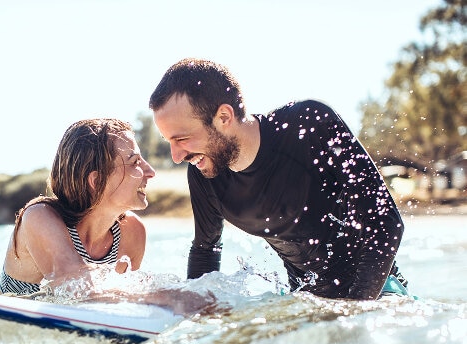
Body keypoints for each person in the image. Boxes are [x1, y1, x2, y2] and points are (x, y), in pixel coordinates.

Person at [149, 58, 408, 300]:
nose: (176, 156)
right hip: (305, 299)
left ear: (224, 117)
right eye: (168, 141)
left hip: (378, 291)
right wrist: (194, 319)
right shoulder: (205, 173)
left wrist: (356, 308)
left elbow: (386, 223)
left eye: (181, 139)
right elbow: (206, 250)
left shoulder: (307, 125)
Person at [0, 118, 215, 314]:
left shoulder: (132, 232)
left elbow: (120, 306)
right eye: (134, 163)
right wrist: (169, 296)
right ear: (96, 181)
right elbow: (73, 285)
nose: (150, 172)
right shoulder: (40, 217)